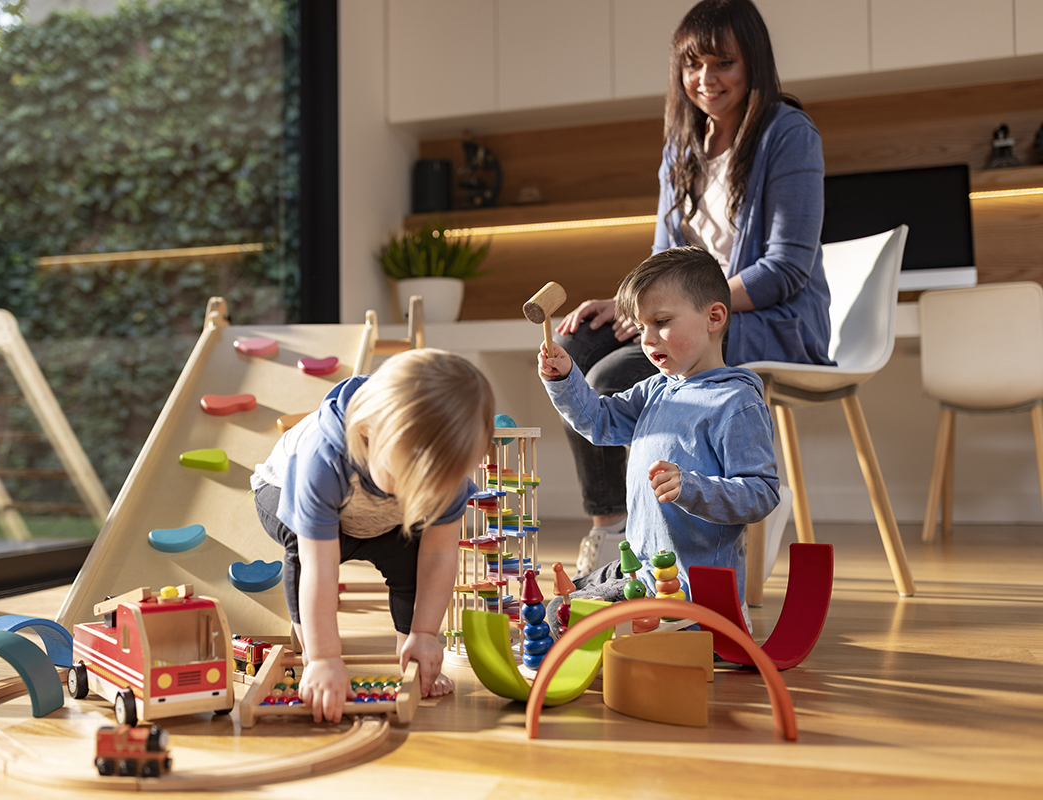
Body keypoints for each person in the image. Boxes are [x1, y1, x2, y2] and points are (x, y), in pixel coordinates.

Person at [555, 0, 829, 577]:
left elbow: (785, 269)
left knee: (613, 377)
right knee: (582, 343)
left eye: (723, 63)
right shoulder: (681, 146)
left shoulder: (787, 133)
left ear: (753, 62)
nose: (705, 80)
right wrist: (628, 305)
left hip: (771, 316)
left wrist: (685, 309)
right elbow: (663, 261)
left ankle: (677, 528)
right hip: (693, 311)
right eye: (692, 65)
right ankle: (612, 527)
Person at [538, 246, 780, 626]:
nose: (647, 340)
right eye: (640, 328)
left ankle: (721, 629)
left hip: (689, 590)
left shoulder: (736, 403)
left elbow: (761, 493)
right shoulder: (656, 389)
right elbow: (599, 422)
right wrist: (565, 379)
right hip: (641, 570)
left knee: (562, 617)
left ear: (714, 317)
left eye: (661, 321)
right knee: (560, 598)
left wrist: (691, 487)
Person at [251, 348, 494, 723]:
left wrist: (427, 633)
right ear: (367, 432)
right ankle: (310, 652)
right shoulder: (323, 459)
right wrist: (326, 658)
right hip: (284, 493)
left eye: (430, 489)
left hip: (375, 517)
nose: (418, 494)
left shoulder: (446, 478)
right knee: (303, 555)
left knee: (414, 555)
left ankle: (410, 646)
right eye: (405, 480)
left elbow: (440, 555)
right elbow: (320, 567)